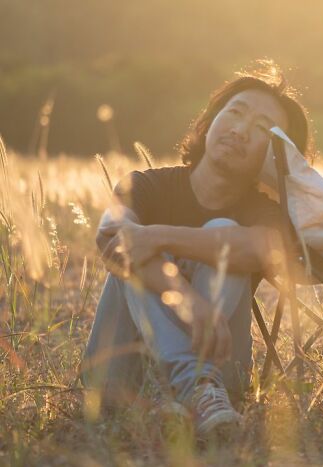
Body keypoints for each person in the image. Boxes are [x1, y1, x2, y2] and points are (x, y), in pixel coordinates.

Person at [81, 60, 310, 438]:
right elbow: (111, 238)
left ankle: (195, 388)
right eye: (234, 113)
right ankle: (195, 385)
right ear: (207, 122)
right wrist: (187, 300)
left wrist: (158, 237)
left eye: (262, 130)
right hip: (122, 377)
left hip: (223, 375)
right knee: (129, 245)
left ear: (276, 158)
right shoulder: (144, 185)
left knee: (225, 232)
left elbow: (260, 250)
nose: (240, 130)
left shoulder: (264, 212)